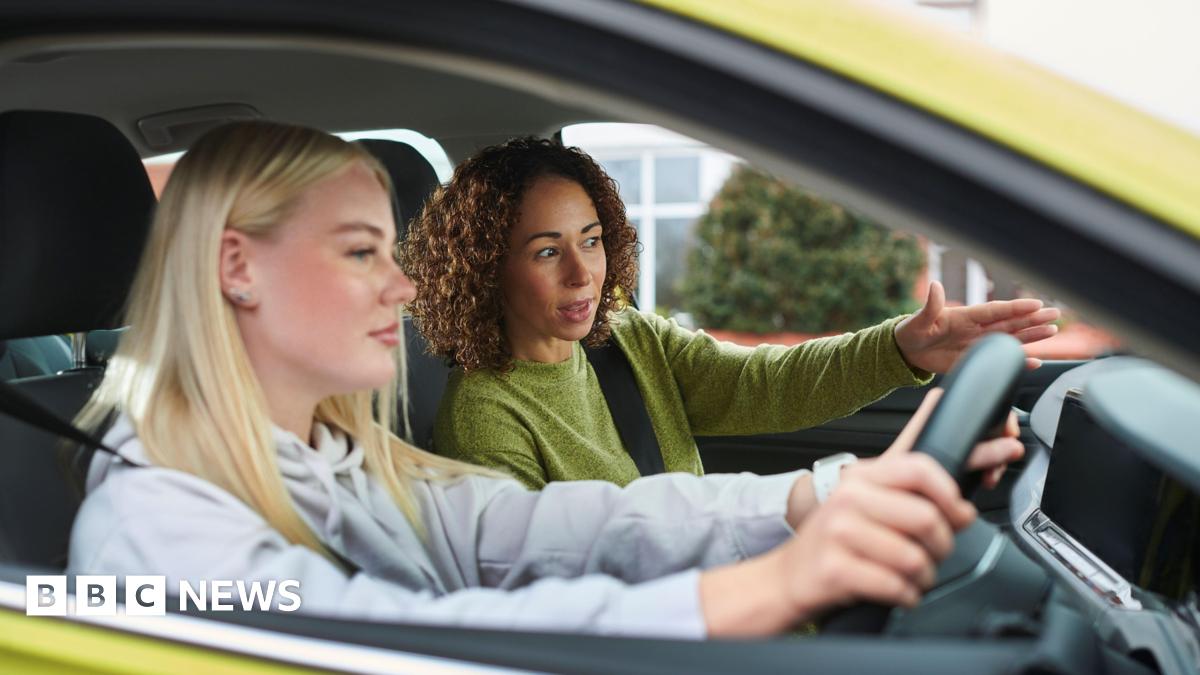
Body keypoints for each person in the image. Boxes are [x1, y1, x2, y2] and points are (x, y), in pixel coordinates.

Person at [67, 120, 1021, 638]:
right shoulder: (155, 531)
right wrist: (761, 589)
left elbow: (561, 525)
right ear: (237, 268)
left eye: (595, 243)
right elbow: (394, 638)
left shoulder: (341, 464)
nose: (399, 286)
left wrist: (824, 497)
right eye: (361, 252)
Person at [402, 137, 1056, 489]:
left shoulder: (626, 339)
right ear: (484, 266)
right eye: (548, 251)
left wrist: (904, 348)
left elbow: (765, 383)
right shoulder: (485, 417)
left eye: (592, 240)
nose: (583, 273)